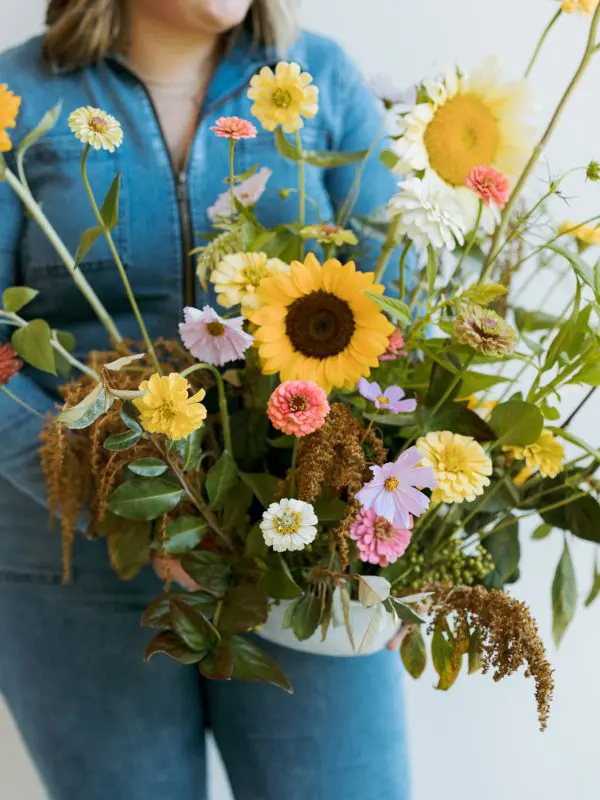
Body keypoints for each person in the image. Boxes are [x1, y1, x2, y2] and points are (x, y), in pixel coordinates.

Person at [0, 1, 409, 798]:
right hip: (67, 560)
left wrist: (394, 538)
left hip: (302, 550)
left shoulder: (321, 79)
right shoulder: (14, 96)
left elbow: (403, 315)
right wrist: (122, 502)